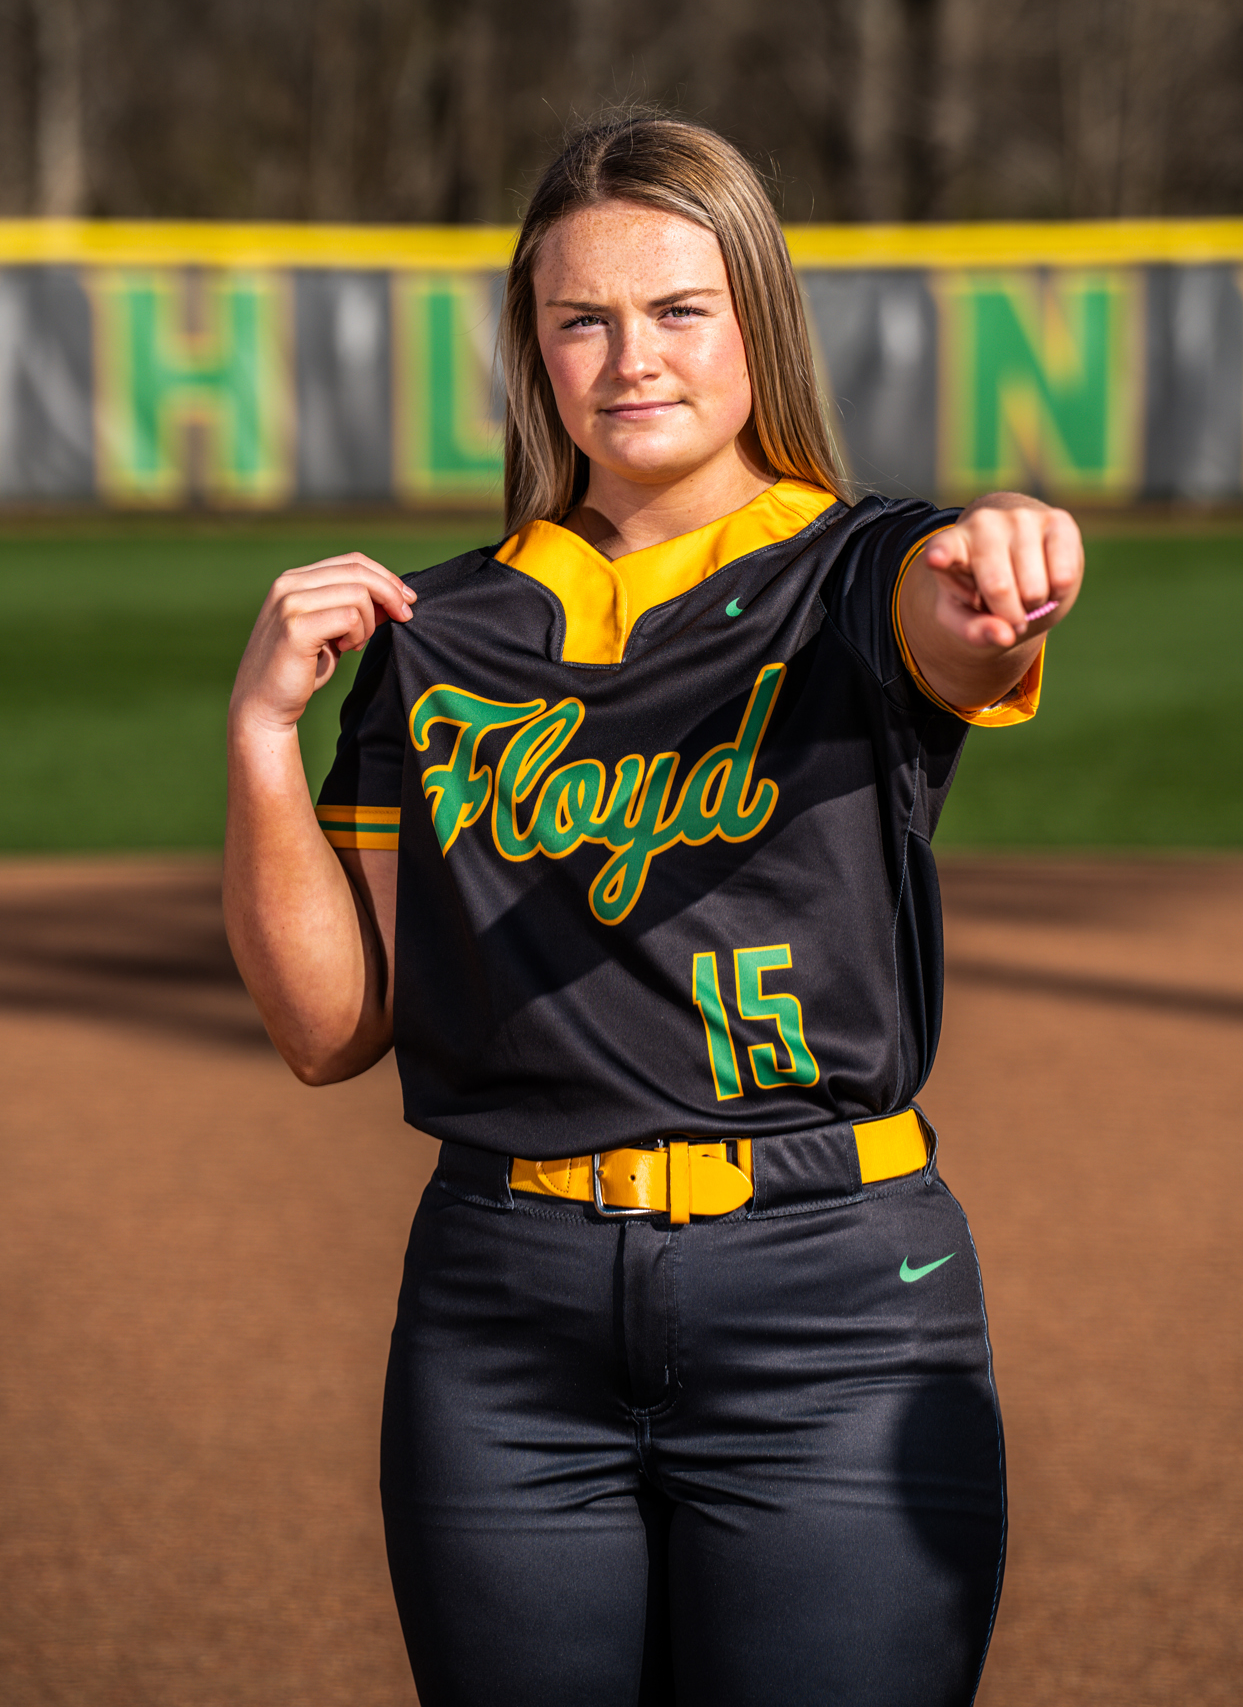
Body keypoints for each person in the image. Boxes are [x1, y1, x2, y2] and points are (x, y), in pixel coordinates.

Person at [224, 116, 1083, 1707]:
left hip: (828, 1300)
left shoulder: (860, 571)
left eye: (680, 309)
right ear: (532, 348)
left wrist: (1002, 572)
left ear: (758, 319)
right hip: (500, 1311)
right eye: (583, 319)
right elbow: (328, 1029)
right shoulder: (436, 634)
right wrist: (265, 737)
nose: (632, 359)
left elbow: (958, 629)